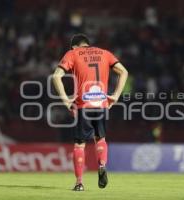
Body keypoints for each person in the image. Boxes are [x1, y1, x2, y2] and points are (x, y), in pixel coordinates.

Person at [52, 34, 128, 191]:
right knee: (100, 138)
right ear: (87, 43)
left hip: (83, 104)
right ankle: (102, 165)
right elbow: (124, 72)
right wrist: (115, 96)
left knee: (80, 144)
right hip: (101, 102)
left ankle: (79, 183)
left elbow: (56, 76)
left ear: (74, 46)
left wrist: (66, 101)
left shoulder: (72, 54)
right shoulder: (105, 53)